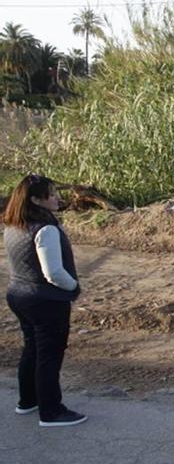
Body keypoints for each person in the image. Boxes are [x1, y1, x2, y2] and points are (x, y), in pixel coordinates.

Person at [3, 174, 87, 427]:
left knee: (32, 349)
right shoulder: (45, 229)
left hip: (19, 294)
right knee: (49, 355)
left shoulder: (13, 224)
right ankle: (51, 411)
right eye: (51, 194)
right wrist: (74, 287)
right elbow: (53, 273)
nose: (57, 198)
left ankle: (28, 401)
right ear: (36, 200)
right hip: (44, 300)